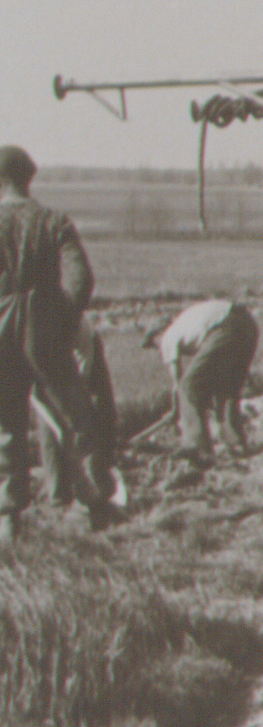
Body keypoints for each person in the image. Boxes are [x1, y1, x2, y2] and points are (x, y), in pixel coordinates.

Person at [0, 145, 113, 540]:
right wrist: (62, 322)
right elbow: (81, 280)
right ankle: (90, 504)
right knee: (75, 416)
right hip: (45, 325)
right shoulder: (53, 220)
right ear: (27, 179)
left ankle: (7, 519)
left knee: (6, 422)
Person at [151, 298, 260, 464]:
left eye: (154, 344)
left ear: (157, 335)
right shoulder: (186, 324)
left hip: (225, 326)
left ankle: (196, 448)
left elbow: (179, 382)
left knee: (188, 386)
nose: (157, 348)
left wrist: (177, 408)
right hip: (248, 323)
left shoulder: (167, 336)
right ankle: (237, 444)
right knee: (227, 389)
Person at [36, 315, 120, 512]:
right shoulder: (15, 349)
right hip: (37, 360)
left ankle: (99, 478)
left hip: (81, 349)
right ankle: (59, 497)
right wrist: (58, 426)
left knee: (100, 410)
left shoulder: (78, 326)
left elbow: (83, 377)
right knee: (48, 425)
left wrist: (77, 418)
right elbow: (35, 396)